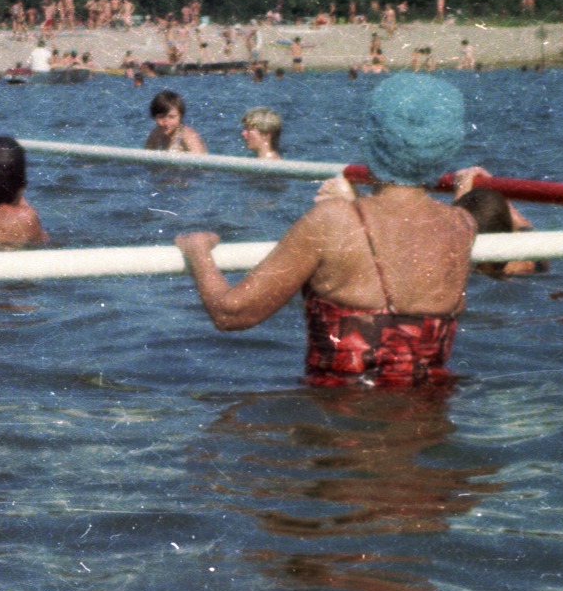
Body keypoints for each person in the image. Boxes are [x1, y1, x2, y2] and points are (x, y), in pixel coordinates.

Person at [176, 74, 475, 387]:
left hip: (340, 424)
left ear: (374, 138)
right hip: (430, 418)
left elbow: (231, 314)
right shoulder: (462, 224)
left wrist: (196, 248)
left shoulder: (333, 220)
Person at [453, 174, 543, 277]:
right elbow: (525, 230)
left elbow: (454, 235)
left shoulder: (456, 268)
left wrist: (461, 190)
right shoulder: (528, 264)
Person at [144, 89, 208, 154]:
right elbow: (146, 160)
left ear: (180, 116)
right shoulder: (156, 134)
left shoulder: (188, 137)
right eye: (161, 117)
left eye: (172, 117)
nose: (166, 123)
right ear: (154, 117)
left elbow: (203, 161)